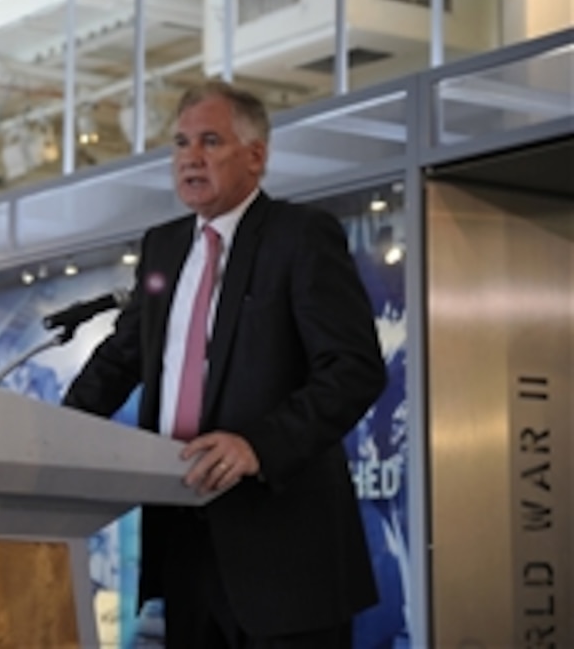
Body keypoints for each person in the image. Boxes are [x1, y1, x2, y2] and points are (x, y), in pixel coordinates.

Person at [62, 80, 387, 648]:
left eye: (210, 141)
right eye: (181, 143)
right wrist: (47, 433)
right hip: (185, 542)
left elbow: (353, 369)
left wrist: (258, 445)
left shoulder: (300, 237)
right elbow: (123, 356)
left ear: (255, 156)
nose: (190, 157)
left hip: (285, 556)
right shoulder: (163, 247)